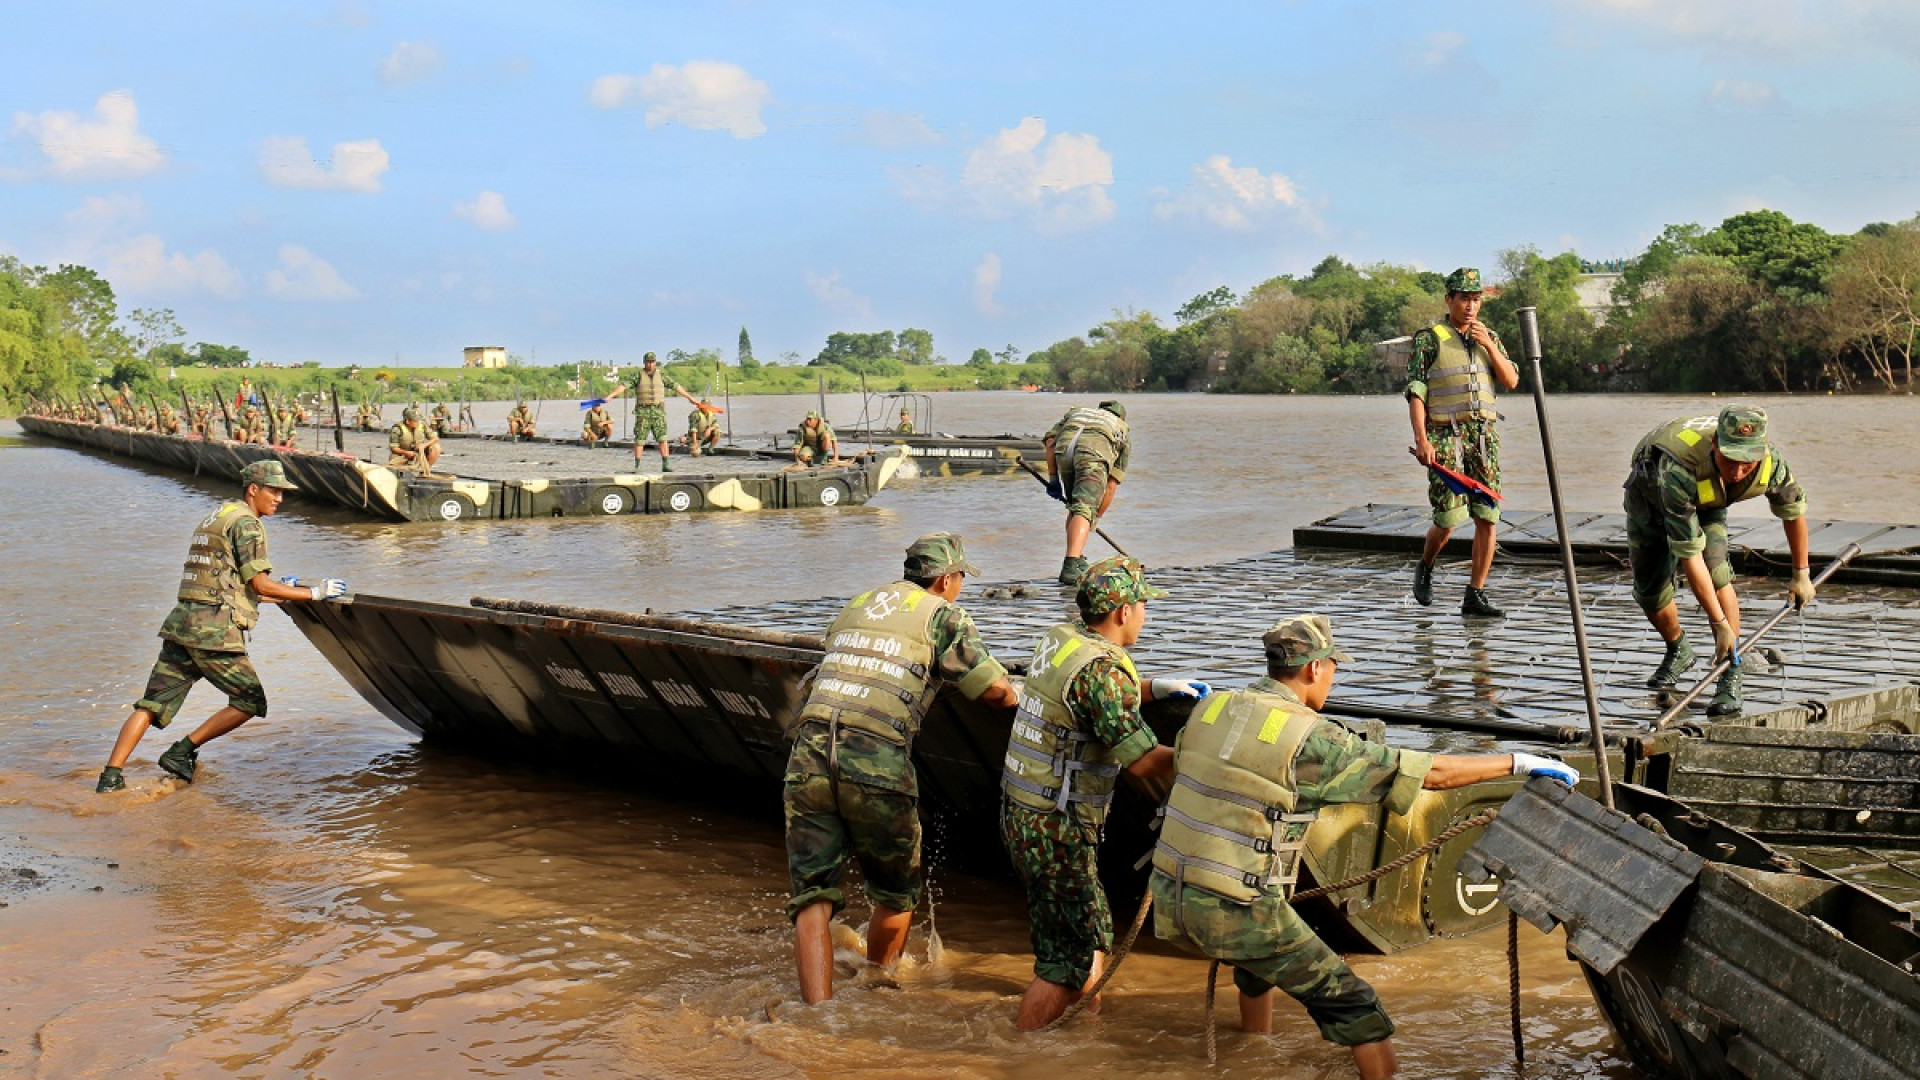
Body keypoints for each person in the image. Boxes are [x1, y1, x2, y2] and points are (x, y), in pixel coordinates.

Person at [1149, 615, 1578, 1079]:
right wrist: (1517, 761)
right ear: (1315, 669)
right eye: (1334, 667)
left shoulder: (1214, 709)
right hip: (1236, 905)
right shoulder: (1311, 737)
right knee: (1357, 1007)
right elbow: (1431, 775)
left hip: (1174, 892)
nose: (1333, 679)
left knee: (1258, 964)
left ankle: (1254, 1055)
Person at [784, 533, 1019, 1003]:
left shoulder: (861, 602)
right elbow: (996, 692)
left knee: (814, 896)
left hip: (808, 755)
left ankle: (817, 1011)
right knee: (893, 892)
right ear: (948, 579)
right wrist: (1014, 693)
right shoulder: (944, 616)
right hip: (874, 757)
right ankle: (877, 983)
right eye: (960, 580)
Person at [1001, 555, 1206, 1029]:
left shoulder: (1061, 639)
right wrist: (1208, 755)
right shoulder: (1102, 672)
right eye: (1142, 606)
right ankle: (1023, 1051)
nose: (1145, 615)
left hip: (1025, 813)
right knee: (1067, 962)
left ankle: (1080, 1038)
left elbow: (1087, 698)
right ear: (1121, 613)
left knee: (1084, 937)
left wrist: (1155, 687)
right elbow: (1143, 760)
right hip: (1058, 828)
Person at [94, 461, 348, 793]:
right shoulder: (248, 525)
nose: (280, 499)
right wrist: (314, 593)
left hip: (182, 626)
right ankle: (181, 751)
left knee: (151, 704)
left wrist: (288, 594)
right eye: (274, 491)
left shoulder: (217, 517)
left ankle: (110, 777)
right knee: (249, 701)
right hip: (213, 633)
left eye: (283, 492)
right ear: (253, 489)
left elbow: (227, 586)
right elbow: (260, 585)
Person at [1624, 405, 1810, 716]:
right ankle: (1678, 648)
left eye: (1747, 464)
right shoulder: (1678, 469)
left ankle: (1729, 672)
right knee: (1650, 592)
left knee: (1718, 572)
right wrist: (1718, 623)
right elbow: (1689, 555)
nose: (1737, 472)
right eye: (1730, 461)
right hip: (1652, 498)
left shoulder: (1772, 462)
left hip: (1711, 498)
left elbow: (1793, 512)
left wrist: (1800, 573)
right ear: (1715, 446)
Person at [1405, 267, 1520, 618]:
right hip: (1444, 437)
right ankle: (1426, 565)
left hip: (1483, 438)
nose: (1470, 307)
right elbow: (1416, 392)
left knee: (1488, 515)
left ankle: (1476, 594)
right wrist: (1422, 440)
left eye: (1475, 299)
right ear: (1449, 300)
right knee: (1449, 517)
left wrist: (1487, 344)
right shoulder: (1430, 338)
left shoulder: (1489, 336)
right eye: (1464, 299)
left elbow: (1512, 379)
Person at [1042, 400, 1130, 585]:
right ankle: (1071, 564)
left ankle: (1076, 557)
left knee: (1076, 507)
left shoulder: (1078, 413)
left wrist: (1053, 479)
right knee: (1084, 508)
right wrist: (1094, 518)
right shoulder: (1121, 429)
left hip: (1064, 449)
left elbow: (1050, 443)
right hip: (1093, 453)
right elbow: (1111, 485)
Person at [630, 351, 700, 472]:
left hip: (658, 412)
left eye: (652, 362)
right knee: (640, 439)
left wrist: (689, 397)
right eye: (648, 362)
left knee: (662, 438)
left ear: (655, 362)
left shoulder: (661, 375)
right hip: (643, 412)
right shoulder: (638, 376)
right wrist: (610, 396)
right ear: (644, 363)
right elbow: (624, 386)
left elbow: (675, 386)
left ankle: (665, 463)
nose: (650, 364)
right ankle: (637, 465)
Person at [388, 406, 441, 472]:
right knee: (394, 470)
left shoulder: (422, 425)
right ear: (408, 421)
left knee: (436, 447)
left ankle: (424, 470)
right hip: (402, 454)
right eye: (415, 421)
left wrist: (424, 445)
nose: (418, 422)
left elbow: (435, 438)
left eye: (418, 420)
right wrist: (406, 452)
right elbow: (393, 448)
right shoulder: (397, 429)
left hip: (419, 453)